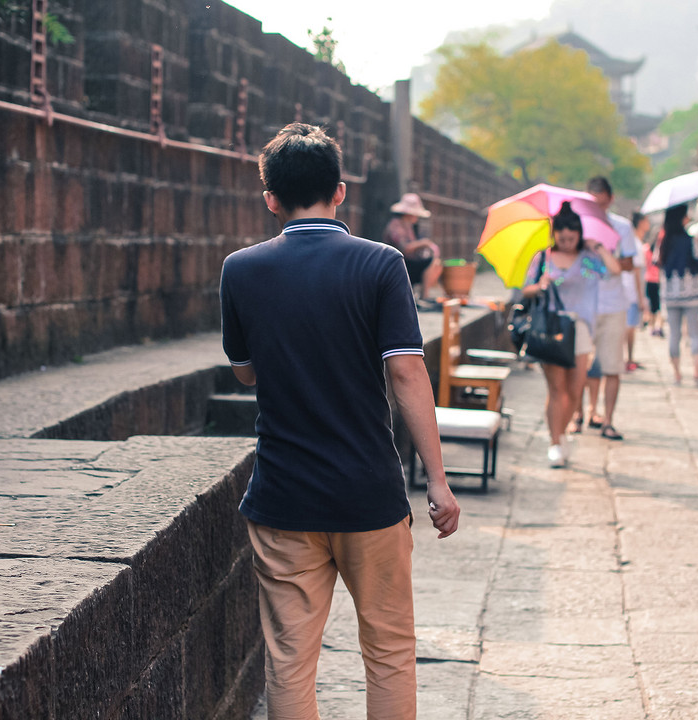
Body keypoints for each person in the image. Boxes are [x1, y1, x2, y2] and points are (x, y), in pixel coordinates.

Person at [220, 123, 460, 719]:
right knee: (389, 651)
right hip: (368, 495)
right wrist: (437, 479)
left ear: (270, 198)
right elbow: (407, 375)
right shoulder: (381, 265)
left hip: (283, 497)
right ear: (341, 190)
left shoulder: (241, 270)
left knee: (290, 661)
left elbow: (245, 374)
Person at [521, 201, 621, 468]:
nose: (565, 241)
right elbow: (525, 290)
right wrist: (540, 286)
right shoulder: (543, 258)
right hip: (551, 330)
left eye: (571, 236)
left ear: (578, 234)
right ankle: (555, 442)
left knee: (575, 391)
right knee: (557, 389)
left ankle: (561, 432)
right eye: (561, 236)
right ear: (554, 234)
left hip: (580, 331)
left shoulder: (589, 259)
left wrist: (597, 246)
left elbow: (615, 270)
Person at [579, 177, 635, 441]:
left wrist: (604, 254)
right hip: (583, 304)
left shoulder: (621, 227)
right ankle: (585, 412)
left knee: (612, 365)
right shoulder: (579, 226)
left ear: (610, 200)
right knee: (584, 364)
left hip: (613, 304)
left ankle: (608, 420)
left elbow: (627, 264)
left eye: (602, 204)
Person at [658, 203, 698, 386]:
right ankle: (696, 373)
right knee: (695, 333)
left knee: (674, 334)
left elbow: (659, 263)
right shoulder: (691, 239)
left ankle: (677, 373)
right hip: (691, 293)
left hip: (670, 294)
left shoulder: (663, 241)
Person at [383, 193, 443, 300]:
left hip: (409, 262)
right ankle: (424, 296)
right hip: (398, 265)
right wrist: (423, 243)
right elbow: (404, 248)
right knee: (433, 263)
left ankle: (423, 295)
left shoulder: (408, 225)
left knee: (437, 264)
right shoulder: (396, 225)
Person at [625, 212, 650, 371]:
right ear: (640, 223)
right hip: (631, 291)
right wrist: (641, 298)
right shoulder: (635, 244)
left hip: (626, 291)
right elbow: (637, 273)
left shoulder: (631, 241)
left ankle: (628, 358)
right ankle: (629, 359)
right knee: (629, 326)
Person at [644, 224, 664, 337]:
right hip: (657, 280)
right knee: (659, 306)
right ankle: (658, 326)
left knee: (652, 305)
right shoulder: (661, 248)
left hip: (649, 280)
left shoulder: (646, 249)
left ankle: (652, 327)